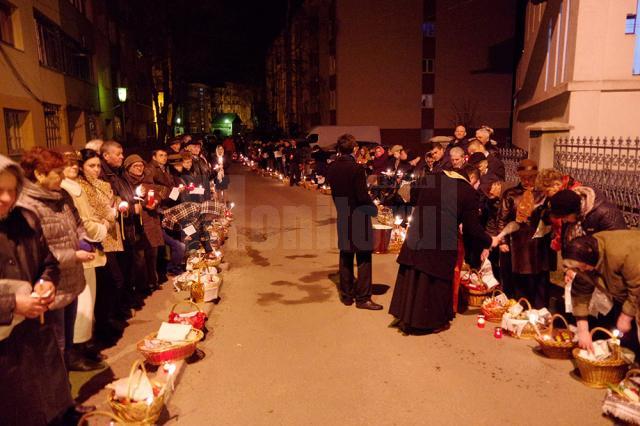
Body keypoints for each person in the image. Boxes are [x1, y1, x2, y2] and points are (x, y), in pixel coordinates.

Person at [0, 154, 78, 425]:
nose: (7, 199)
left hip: (35, 338)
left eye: (12, 190)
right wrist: (12, 305)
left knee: (51, 404)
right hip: (5, 357)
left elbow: (48, 262)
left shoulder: (26, 219)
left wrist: (47, 281)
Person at [18, 148, 102, 372]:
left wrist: (84, 239)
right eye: (57, 172)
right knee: (55, 346)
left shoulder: (61, 196)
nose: (63, 176)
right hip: (50, 287)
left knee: (65, 342)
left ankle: (67, 402)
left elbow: (77, 223)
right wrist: (74, 255)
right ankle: (61, 403)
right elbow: (36, 252)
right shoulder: (28, 205)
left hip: (70, 281)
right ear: (39, 174)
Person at [389, 168, 497, 334]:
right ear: (472, 179)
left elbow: (412, 195)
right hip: (440, 242)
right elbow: (471, 229)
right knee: (433, 282)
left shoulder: (432, 178)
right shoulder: (467, 191)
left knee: (413, 274)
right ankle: (427, 322)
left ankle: (405, 315)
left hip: (418, 233)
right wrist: (489, 240)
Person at [60, 150, 108, 366]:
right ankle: (77, 349)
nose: (73, 166)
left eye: (75, 163)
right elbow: (81, 222)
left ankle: (85, 343)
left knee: (89, 299)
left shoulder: (75, 187)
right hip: (80, 249)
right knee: (82, 302)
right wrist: (100, 230)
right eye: (67, 163)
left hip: (87, 245)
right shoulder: (64, 189)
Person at [77, 148, 127, 344]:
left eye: (98, 165)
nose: (96, 169)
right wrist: (109, 215)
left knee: (112, 283)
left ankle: (107, 323)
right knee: (111, 282)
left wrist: (120, 203)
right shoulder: (81, 187)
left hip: (111, 236)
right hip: (97, 239)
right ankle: (102, 327)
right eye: (91, 165)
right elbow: (93, 212)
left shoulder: (101, 184)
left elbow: (113, 200)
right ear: (82, 167)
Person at [326, 134, 382, 310]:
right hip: (358, 216)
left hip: (343, 214)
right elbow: (361, 196)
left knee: (346, 255)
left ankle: (347, 295)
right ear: (355, 149)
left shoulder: (332, 167)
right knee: (364, 257)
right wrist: (374, 208)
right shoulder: (357, 169)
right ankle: (363, 298)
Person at [563, 231, 640, 353]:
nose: (580, 271)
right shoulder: (585, 257)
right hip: (625, 296)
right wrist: (583, 330)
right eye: (576, 268)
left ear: (590, 258)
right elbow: (581, 292)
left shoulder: (621, 254)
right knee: (625, 336)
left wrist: (626, 316)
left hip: (635, 290)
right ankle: (629, 363)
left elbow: (637, 285)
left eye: (582, 267)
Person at [496, 159, 554, 306]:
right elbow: (502, 218)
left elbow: (551, 218)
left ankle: (539, 310)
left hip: (538, 243)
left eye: (530, 177)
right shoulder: (511, 194)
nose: (527, 180)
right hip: (517, 243)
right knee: (518, 278)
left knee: (539, 277)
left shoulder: (543, 194)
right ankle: (519, 308)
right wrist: (502, 241)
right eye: (524, 178)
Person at [122, 155, 165, 298]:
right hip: (138, 224)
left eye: (141, 165)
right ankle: (142, 286)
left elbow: (157, 194)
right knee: (139, 257)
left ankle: (154, 281)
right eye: (135, 166)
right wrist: (142, 204)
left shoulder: (147, 180)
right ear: (128, 168)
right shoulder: (126, 183)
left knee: (152, 254)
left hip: (151, 221)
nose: (139, 168)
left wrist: (155, 202)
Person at [549, 187, 627, 253]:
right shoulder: (569, 211)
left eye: (565, 217)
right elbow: (566, 241)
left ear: (575, 210)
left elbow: (618, 246)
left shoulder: (606, 213)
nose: (564, 221)